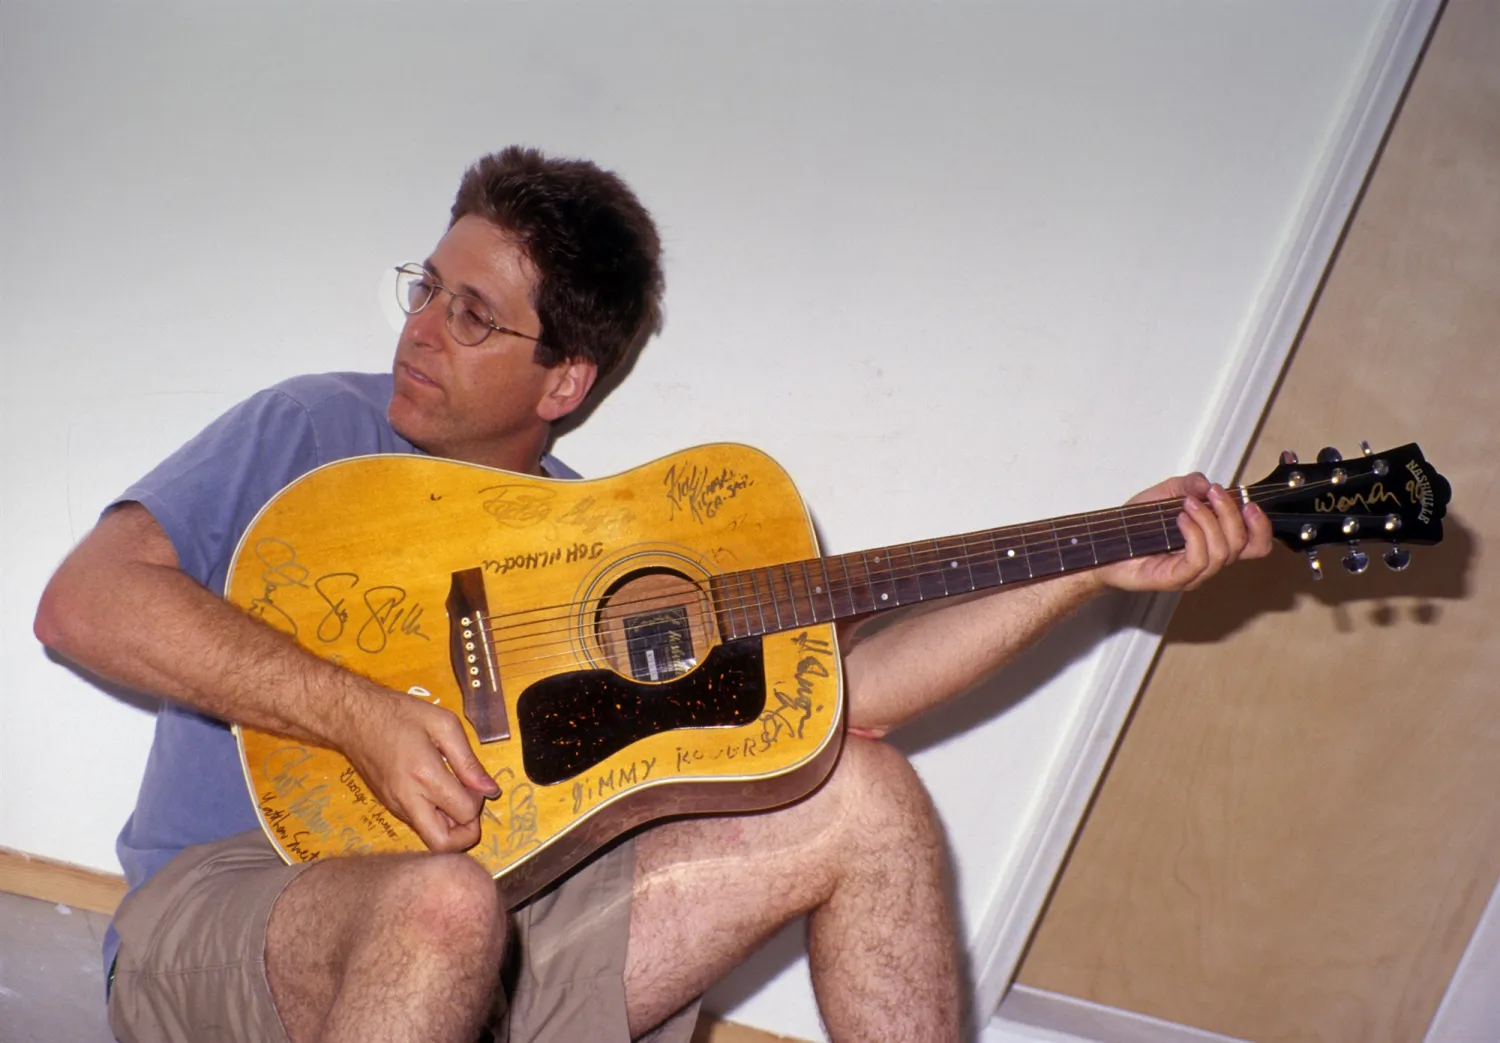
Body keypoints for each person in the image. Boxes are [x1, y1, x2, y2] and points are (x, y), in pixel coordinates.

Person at [34, 146, 1272, 1043]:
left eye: (473, 315)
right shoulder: (316, 427)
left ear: (564, 378)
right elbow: (84, 605)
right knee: (441, 905)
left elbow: (854, 699)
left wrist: (1095, 564)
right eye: (428, 287)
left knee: (869, 795)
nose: (422, 329)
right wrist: (355, 710)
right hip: (238, 912)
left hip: (510, 943)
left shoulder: (609, 542)